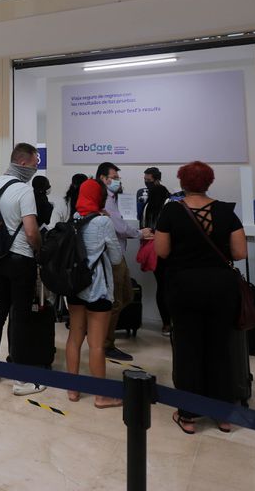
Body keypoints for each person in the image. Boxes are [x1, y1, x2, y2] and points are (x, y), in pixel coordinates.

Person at [155, 161, 247, 434]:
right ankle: (223, 414)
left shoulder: (171, 211)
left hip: (184, 286)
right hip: (221, 287)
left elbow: (161, 251)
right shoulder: (226, 211)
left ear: (182, 182)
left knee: (187, 347)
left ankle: (188, 414)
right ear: (209, 182)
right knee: (221, 347)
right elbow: (240, 252)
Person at [0, 143, 44, 395]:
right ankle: (21, 380)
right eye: (34, 162)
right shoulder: (24, 190)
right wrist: (39, 249)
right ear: (23, 161)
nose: (36, 167)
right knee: (20, 315)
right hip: (21, 259)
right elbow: (31, 231)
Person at [64, 179, 123, 408]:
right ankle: (100, 396)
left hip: (75, 286)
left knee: (74, 338)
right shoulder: (102, 222)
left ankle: (72, 390)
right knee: (97, 344)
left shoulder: (74, 219)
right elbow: (116, 258)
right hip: (97, 288)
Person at [96, 162, 152, 361]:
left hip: (117, 255)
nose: (118, 180)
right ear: (104, 178)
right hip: (112, 257)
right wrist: (139, 233)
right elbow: (118, 227)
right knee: (116, 301)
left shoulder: (111, 198)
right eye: (114, 176)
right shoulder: (104, 199)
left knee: (126, 295)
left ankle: (100, 336)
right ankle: (105, 344)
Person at [141, 178, 172, 336]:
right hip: (168, 250)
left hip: (152, 250)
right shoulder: (169, 206)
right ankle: (173, 322)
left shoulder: (147, 207)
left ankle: (166, 324)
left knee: (161, 286)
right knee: (172, 287)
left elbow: (143, 228)